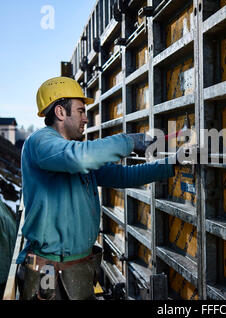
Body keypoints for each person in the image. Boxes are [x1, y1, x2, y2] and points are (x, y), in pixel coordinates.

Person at [16, 76, 179, 300]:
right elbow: (79, 158)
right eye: (81, 111)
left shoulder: (73, 151)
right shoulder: (41, 142)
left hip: (78, 269)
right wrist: (130, 141)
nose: (86, 119)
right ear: (61, 113)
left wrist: (173, 163)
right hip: (48, 271)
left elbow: (122, 176)